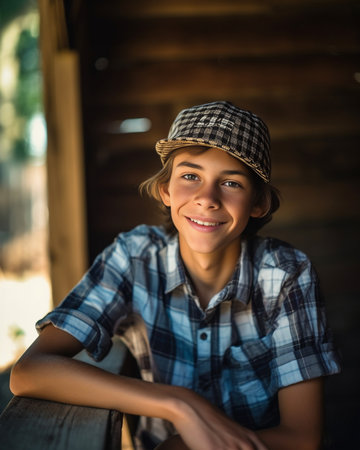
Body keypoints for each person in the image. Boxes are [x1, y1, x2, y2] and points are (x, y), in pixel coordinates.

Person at [10, 101, 341, 450]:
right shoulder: (134, 258)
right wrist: (179, 404)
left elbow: (304, 438)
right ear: (165, 189)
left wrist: (179, 447)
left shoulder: (286, 274)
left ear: (258, 204)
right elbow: (30, 371)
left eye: (231, 182)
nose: (207, 198)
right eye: (190, 176)